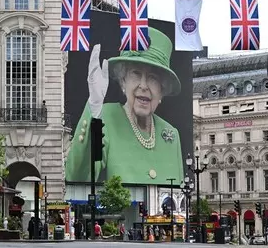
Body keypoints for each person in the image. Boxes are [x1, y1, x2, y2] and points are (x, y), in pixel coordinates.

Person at [65, 27, 184, 184]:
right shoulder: (104, 117)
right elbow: (78, 177)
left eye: (153, 78)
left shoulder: (171, 134)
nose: (143, 85)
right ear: (123, 82)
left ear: (162, 91)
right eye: (135, 73)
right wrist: (94, 107)